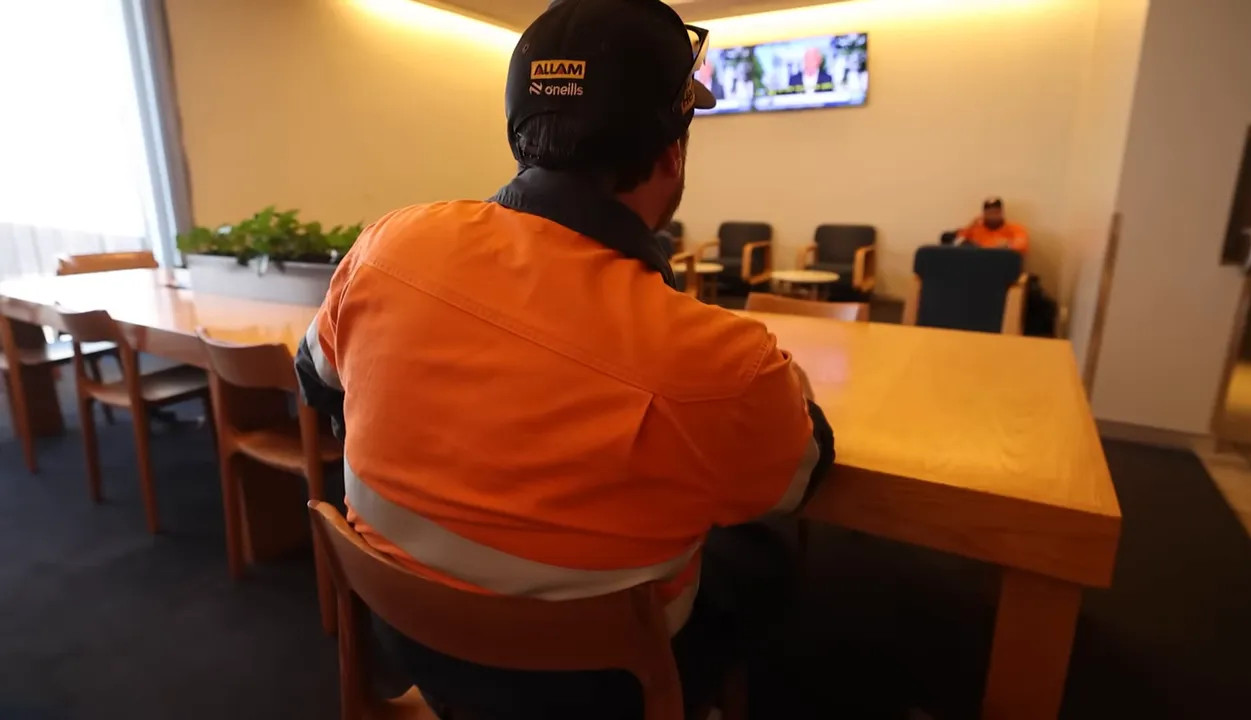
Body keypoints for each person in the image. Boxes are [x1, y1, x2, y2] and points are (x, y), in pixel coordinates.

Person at [294, 1, 835, 718]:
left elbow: (316, 380)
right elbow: (798, 476)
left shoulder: (388, 246)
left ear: (521, 131)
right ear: (673, 153)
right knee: (764, 560)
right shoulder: (720, 360)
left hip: (408, 637)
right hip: (595, 690)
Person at [955, 197, 1030, 255]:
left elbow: (1022, 246)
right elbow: (956, 243)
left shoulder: (1015, 228)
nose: (993, 216)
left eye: (996, 212)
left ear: (1002, 213)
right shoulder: (975, 229)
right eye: (990, 213)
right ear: (984, 214)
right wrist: (970, 226)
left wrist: (1006, 246)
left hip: (1004, 268)